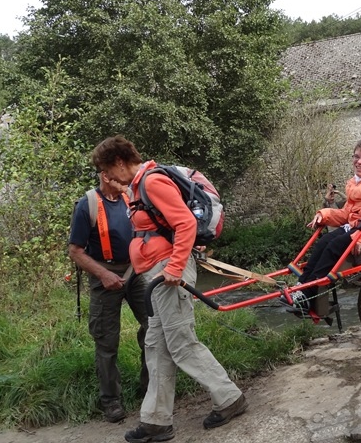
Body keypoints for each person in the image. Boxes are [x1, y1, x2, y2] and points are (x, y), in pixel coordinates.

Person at [91, 136, 246, 443]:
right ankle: (156, 421)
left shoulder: (152, 182)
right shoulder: (137, 185)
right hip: (159, 271)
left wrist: (174, 268)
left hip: (168, 271)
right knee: (156, 345)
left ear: (120, 162)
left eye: (108, 169)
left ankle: (229, 399)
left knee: (180, 342)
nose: (107, 177)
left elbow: (186, 223)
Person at [281, 138, 361, 313]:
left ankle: (308, 293)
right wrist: (324, 214)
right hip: (358, 226)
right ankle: (301, 287)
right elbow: (346, 214)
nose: (359, 161)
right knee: (323, 242)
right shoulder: (358, 181)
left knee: (334, 246)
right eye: (356, 156)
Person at [68, 171, 148, 423]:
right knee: (106, 342)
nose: (126, 177)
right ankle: (111, 401)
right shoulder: (87, 204)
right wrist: (103, 274)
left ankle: (150, 388)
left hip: (135, 273)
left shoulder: (131, 198)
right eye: (119, 174)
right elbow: (75, 251)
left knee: (154, 328)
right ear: (105, 175)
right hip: (105, 276)